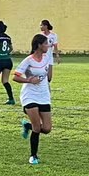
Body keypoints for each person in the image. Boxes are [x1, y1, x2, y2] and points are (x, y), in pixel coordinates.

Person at [14, 34, 54, 165]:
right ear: (39, 45)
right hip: (29, 95)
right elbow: (16, 77)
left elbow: (48, 76)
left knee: (47, 128)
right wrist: (29, 80)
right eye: (46, 43)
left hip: (43, 96)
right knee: (37, 128)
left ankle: (27, 125)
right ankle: (33, 156)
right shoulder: (28, 61)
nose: (48, 46)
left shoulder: (47, 58)